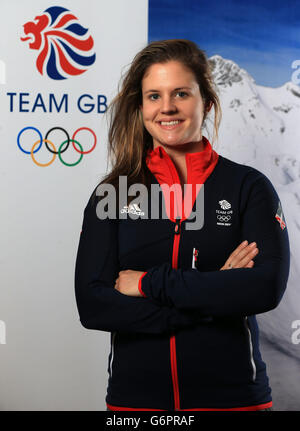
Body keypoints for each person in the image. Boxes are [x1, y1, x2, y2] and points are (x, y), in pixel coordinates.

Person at [74, 39, 290, 411]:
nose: (167, 107)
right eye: (153, 96)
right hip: (136, 405)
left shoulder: (247, 188)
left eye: (181, 93)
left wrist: (145, 283)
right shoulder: (113, 194)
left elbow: (265, 287)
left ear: (206, 102)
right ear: (140, 107)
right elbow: (93, 305)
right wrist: (216, 293)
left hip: (234, 401)